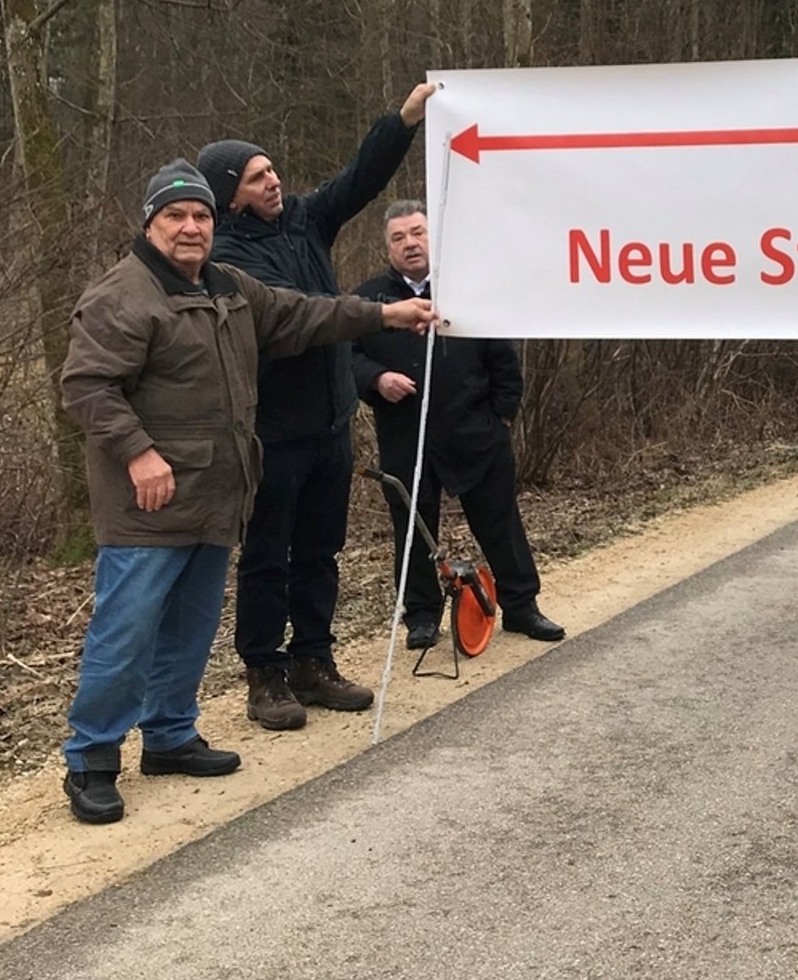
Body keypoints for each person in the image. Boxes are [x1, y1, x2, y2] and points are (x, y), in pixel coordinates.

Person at [58, 160, 434, 824]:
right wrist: (138, 453)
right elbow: (88, 386)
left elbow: (304, 314)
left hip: (216, 493)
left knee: (191, 626)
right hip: (147, 503)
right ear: (149, 223)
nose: (190, 227)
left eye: (200, 215)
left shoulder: (228, 286)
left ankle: (171, 735)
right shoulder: (123, 295)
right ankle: (91, 757)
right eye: (174, 216)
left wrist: (385, 314)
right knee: (126, 631)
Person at [202, 82, 438, 731]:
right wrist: (379, 315)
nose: (273, 181)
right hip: (274, 433)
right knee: (266, 555)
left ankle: (313, 660)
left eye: (272, 169)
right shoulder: (224, 259)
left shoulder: (306, 220)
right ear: (229, 194)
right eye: (256, 178)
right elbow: (303, 319)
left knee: (319, 551)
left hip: (332, 425)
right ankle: (264, 673)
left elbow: (358, 180)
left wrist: (403, 121)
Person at [352, 201, 564, 648]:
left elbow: (505, 363)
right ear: (386, 247)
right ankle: (422, 618)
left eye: (417, 233)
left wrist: (500, 418)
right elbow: (345, 358)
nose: (410, 243)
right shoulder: (368, 300)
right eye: (399, 237)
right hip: (406, 438)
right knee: (412, 531)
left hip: (476, 434)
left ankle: (522, 607)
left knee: (500, 523)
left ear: (433, 236)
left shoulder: (469, 290)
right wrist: (376, 379)